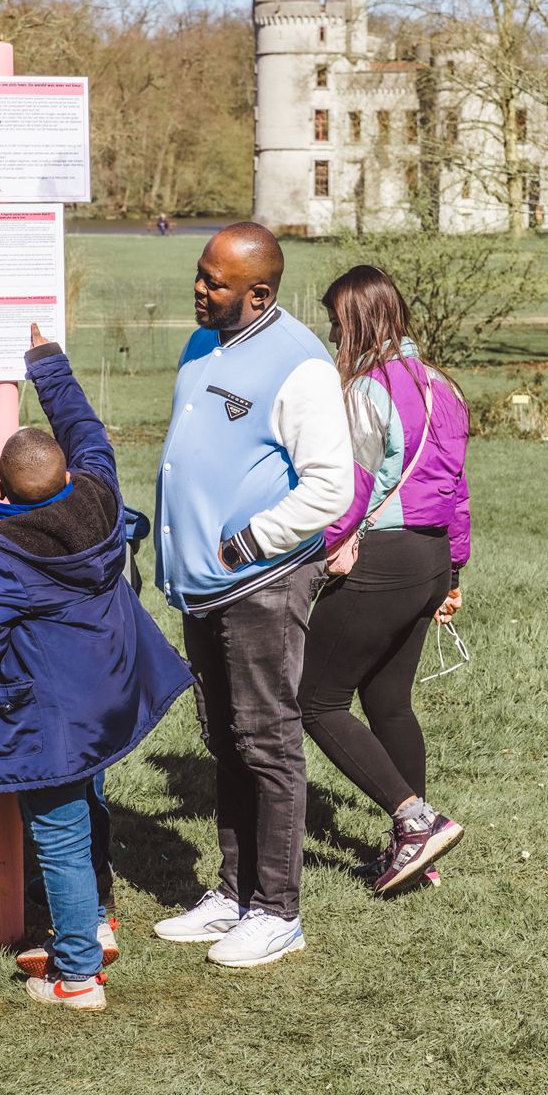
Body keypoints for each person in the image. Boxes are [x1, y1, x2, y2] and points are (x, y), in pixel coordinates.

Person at [0, 325, 195, 1010]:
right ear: (65, 472)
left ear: (2, 486)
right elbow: (85, 428)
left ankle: (79, 973)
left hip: (50, 714)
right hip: (107, 694)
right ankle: (94, 916)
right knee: (87, 803)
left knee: (56, 831)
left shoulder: (4, 554)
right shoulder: (101, 494)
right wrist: (47, 361)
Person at [150, 223, 350, 968]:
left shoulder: (300, 364)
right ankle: (233, 893)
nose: (199, 289)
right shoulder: (203, 344)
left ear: (259, 292)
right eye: (200, 274)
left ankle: (277, 908)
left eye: (216, 282)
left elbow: (331, 486)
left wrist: (248, 541)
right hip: (201, 586)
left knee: (267, 742)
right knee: (224, 740)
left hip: (261, 584)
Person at [299, 266, 472, 895]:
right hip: (428, 561)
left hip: (385, 560)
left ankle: (414, 820)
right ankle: (415, 852)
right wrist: (453, 570)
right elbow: (457, 491)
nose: (329, 333)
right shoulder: (442, 386)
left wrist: (314, 549)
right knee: (388, 702)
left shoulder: (367, 392)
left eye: (335, 322)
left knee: (312, 700)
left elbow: (351, 487)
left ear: (357, 321)